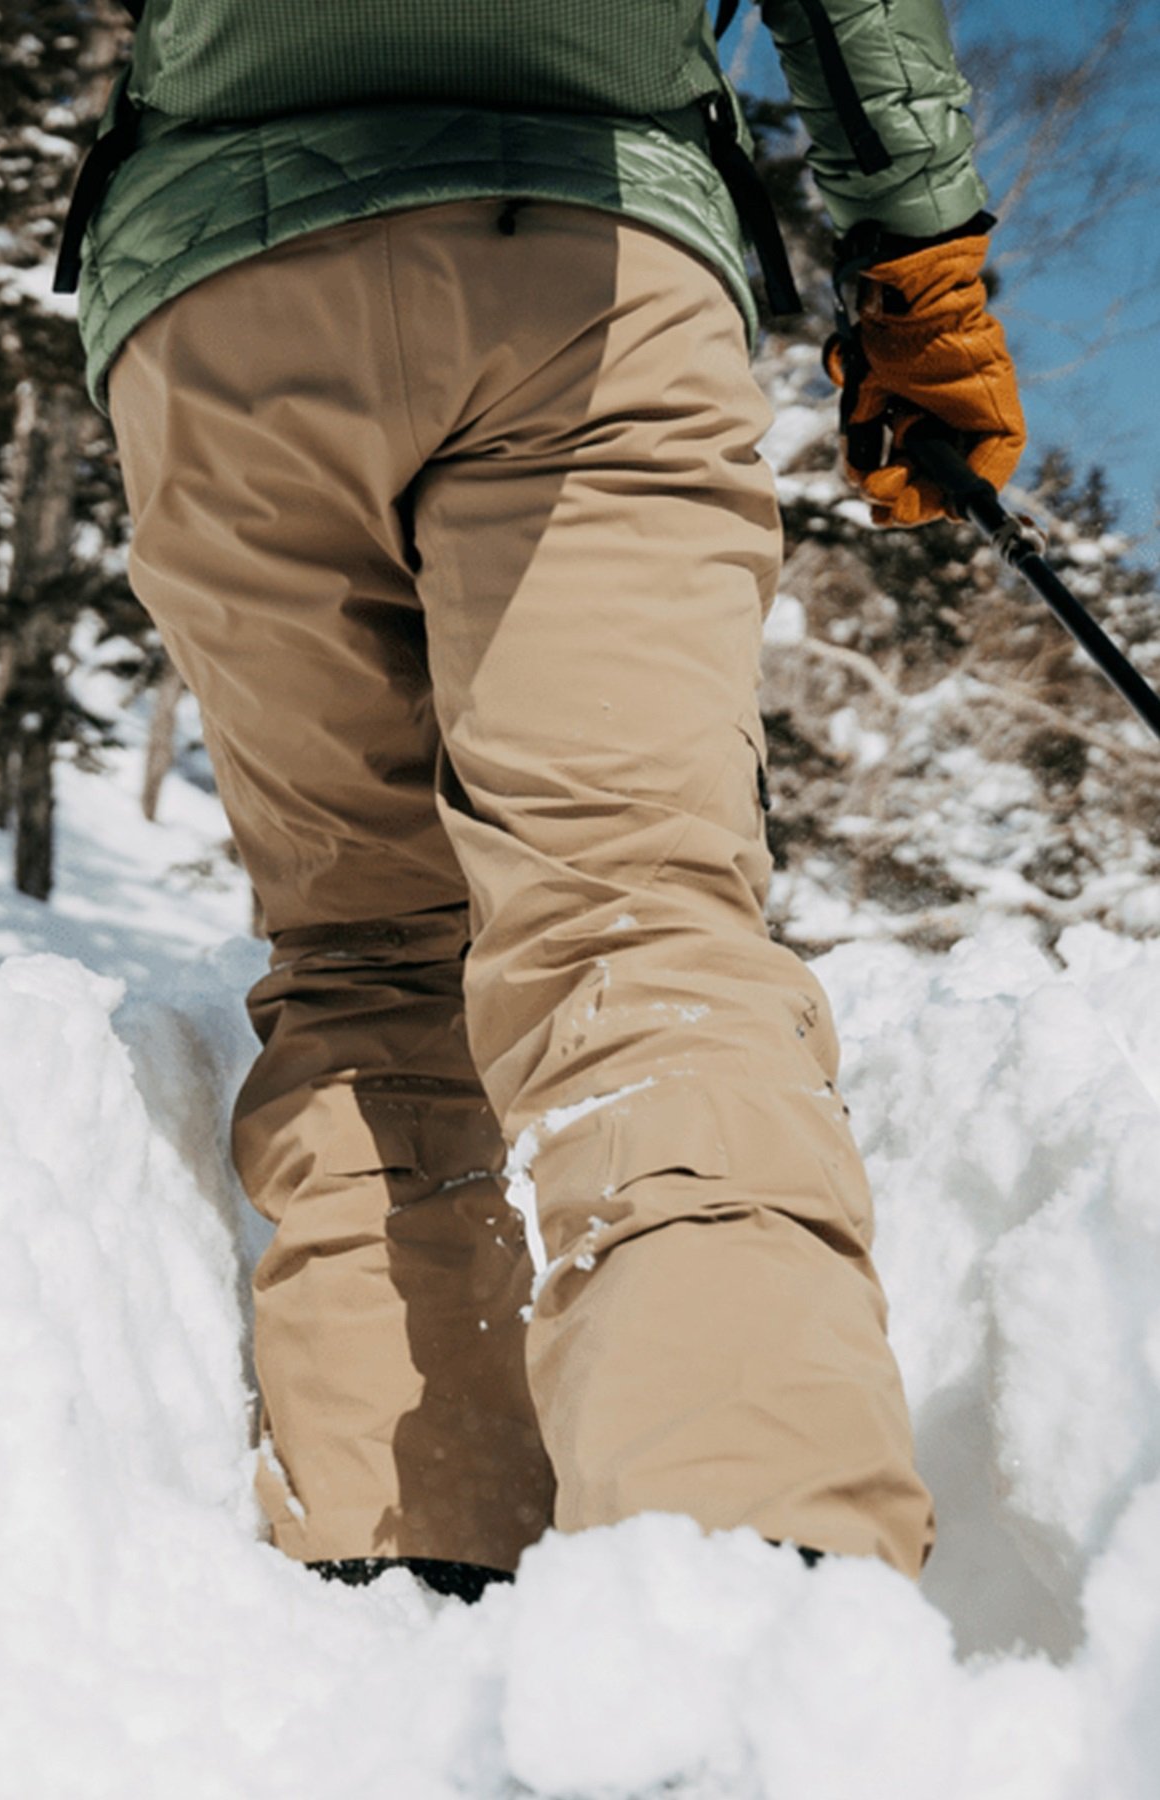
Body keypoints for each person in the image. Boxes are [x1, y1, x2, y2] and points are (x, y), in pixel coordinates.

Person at [64, 0, 1024, 1600]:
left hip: (218, 297)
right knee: (633, 922)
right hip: (589, 262)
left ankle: (406, 1548)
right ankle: (744, 1555)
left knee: (367, 953)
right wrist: (915, 263)